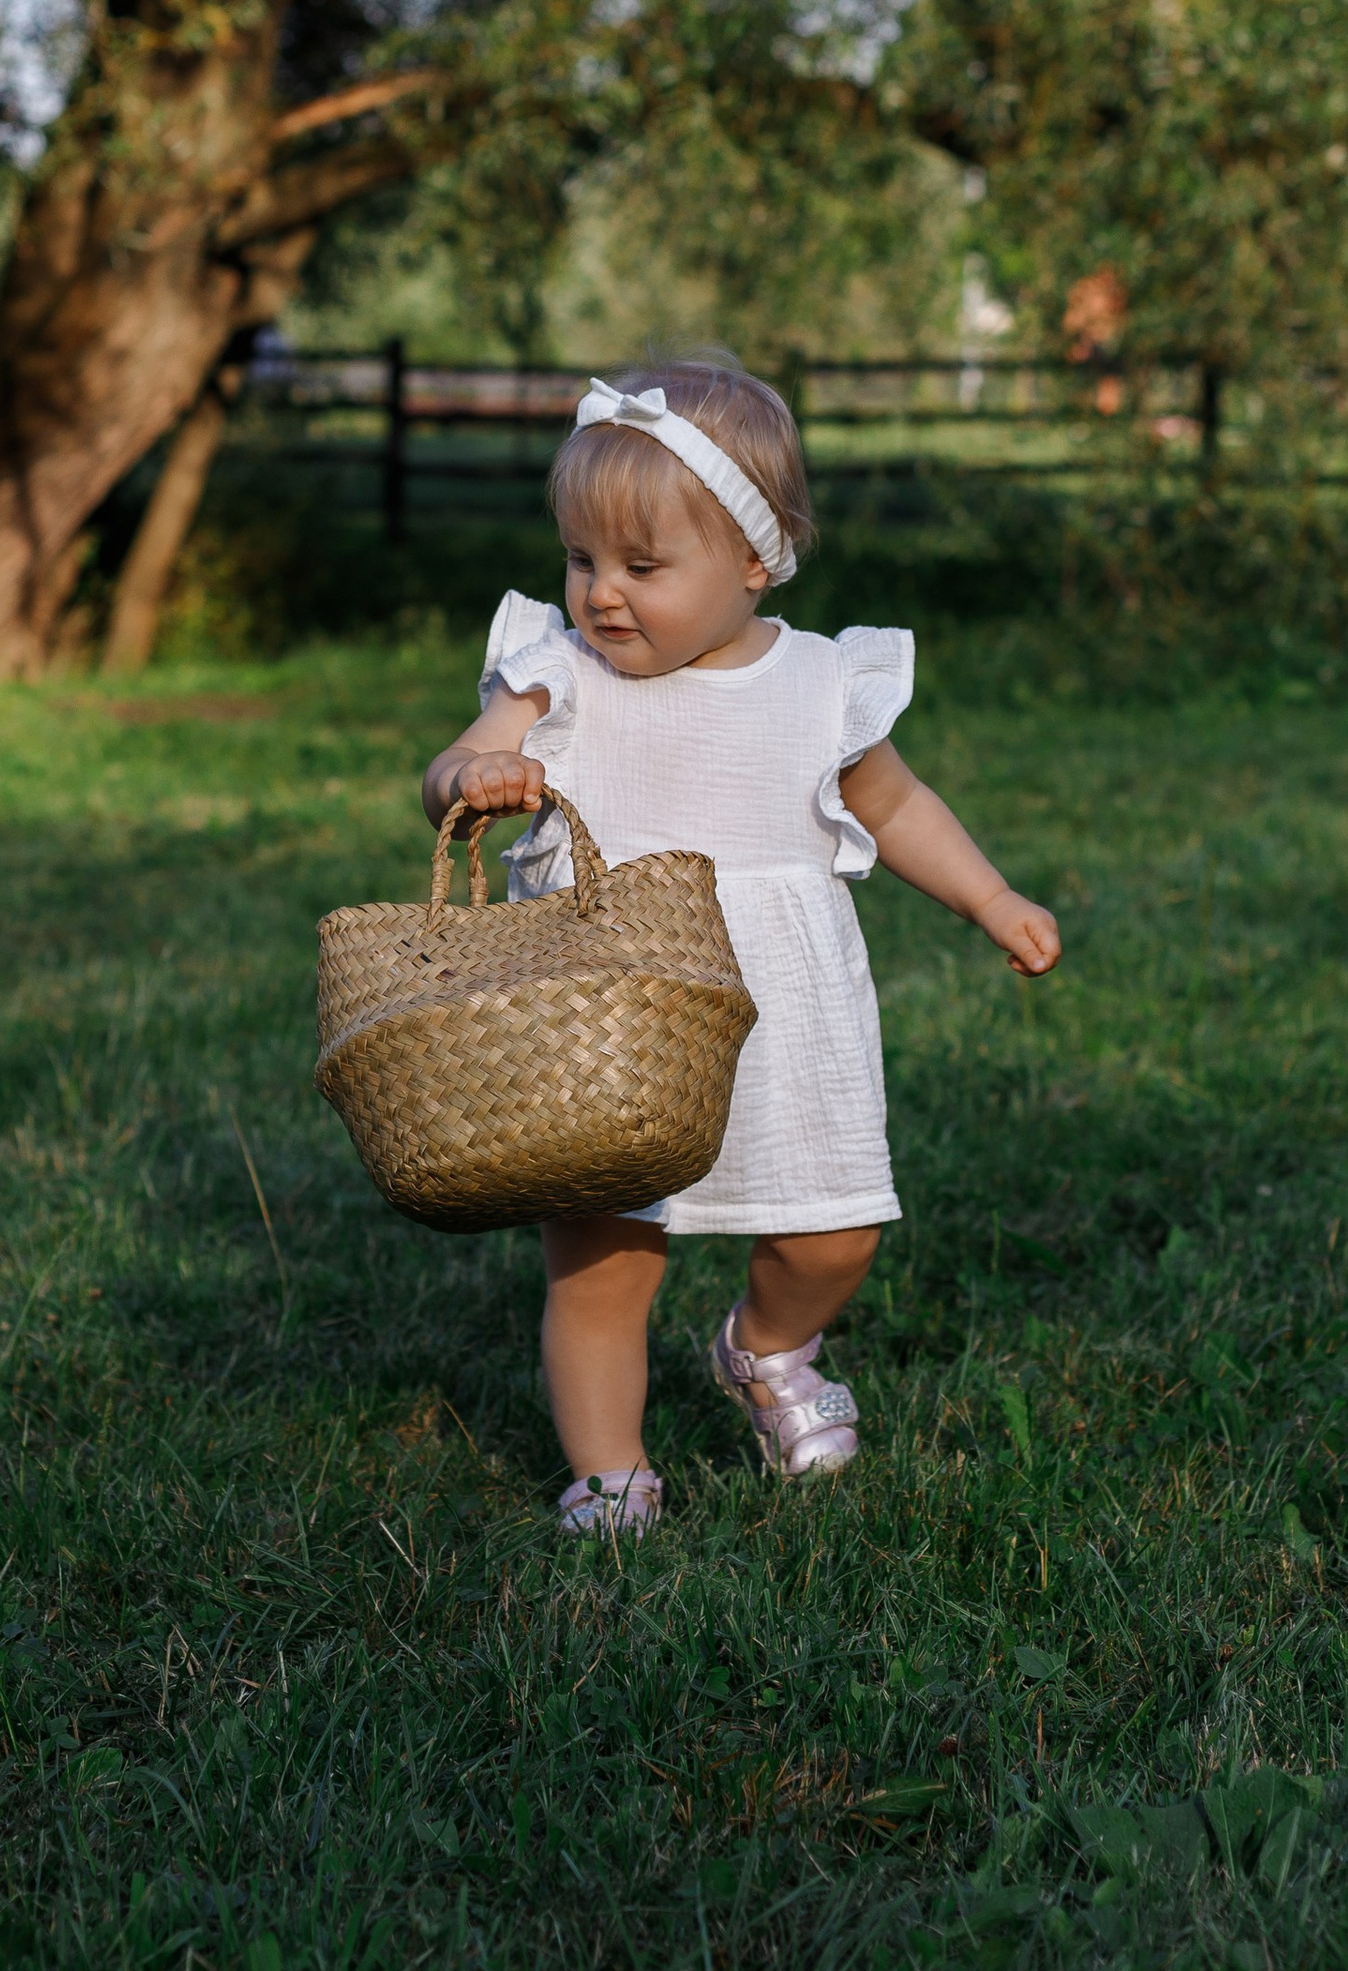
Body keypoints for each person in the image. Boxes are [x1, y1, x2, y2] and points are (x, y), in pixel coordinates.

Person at [420, 349, 1061, 1534]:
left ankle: (767, 1349)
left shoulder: (819, 682)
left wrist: (989, 899)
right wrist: (479, 769)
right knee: (603, 1259)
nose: (601, 592)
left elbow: (896, 808)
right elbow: (451, 764)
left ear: (753, 560)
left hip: (782, 1008)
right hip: (604, 1016)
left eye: (642, 565)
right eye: (580, 559)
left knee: (832, 1231)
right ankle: (607, 1470)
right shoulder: (556, 674)